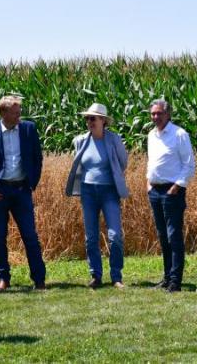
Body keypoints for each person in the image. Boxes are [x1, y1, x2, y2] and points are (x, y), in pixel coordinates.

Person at [0, 95, 46, 291]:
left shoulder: (28, 129)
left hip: (22, 189)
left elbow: (37, 158)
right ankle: (3, 278)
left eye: (19, 111)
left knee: (30, 235)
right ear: (3, 113)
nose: (19, 115)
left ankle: (39, 279)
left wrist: (32, 183)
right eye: (15, 113)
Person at [65, 103, 129, 289]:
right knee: (91, 236)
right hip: (88, 191)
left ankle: (116, 276)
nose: (89, 122)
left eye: (93, 118)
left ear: (103, 121)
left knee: (115, 235)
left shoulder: (114, 140)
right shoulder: (80, 140)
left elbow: (122, 163)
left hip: (109, 190)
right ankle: (96, 275)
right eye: (87, 118)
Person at [146, 99, 195, 293]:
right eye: (153, 114)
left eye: (159, 113)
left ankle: (176, 280)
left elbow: (189, 164)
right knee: (162, 236)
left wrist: (176, 186)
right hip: (155, 191)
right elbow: (151, 162)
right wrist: (148, 183)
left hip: (172, 191)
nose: (155, 117)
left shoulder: (179, 134)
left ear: (168, 114)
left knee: (174, 235)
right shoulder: (151, 135)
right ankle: (167, 277)